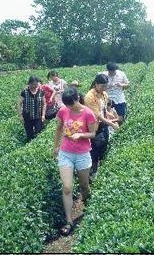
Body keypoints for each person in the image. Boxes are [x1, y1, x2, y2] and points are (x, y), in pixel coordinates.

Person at [53, 88, 97, 236]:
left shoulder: (88, 113)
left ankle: (88, 207)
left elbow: (93, 133)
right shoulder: (63, 111)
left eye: (72, 104)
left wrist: (81, 135)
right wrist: (56, 147)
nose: (70, 107)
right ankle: (69, 221)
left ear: (77, 98)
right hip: (66, 153)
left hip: (82, 154)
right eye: (68, 105)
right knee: (67, 187)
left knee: (84, 186)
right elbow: (59, 128)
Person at [84, 74, 119, 180]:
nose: (104, 88)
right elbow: (98, 115)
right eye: (102, 86)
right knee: (95, 150)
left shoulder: (104, 94)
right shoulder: (89, 97)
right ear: (96, 84)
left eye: (105, 86)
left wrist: (112, 116)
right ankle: (91, 173)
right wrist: (111, 123)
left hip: (103, 125)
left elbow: (104, 111)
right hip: (94, 126)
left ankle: (99, 171)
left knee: (103, 146)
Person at [18, 76, 47, 141]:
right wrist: (20, 116)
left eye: (36, 84)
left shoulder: (41, 92)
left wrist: (43, 115)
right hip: (27, 116)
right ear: (29, 83)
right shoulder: (24, 92)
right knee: (29, 134)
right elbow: (19, 104)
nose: (34, 86)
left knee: (39, 132)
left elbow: (44, 103)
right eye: (33, 84)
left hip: (38, 116)